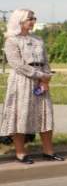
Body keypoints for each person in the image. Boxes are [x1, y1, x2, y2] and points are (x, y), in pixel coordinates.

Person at [1, 9, 62, 164]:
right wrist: (40, 75)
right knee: (20, 115)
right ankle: (21, 152)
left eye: (34, 18)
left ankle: (48, 151)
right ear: (20, 20)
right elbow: (17, 64)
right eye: (30, 18)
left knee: (45, 113)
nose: (33, 21)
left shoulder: (38, 39)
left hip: (41, 80)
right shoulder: (11, 40)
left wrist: (46, 77)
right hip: (22, 81)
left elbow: (46, 61)